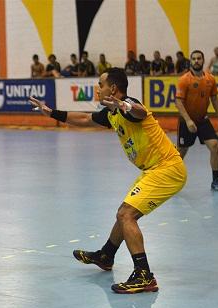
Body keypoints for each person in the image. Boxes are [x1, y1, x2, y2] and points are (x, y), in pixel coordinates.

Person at [30, 67, 187, 294]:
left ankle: (144, 275)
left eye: (101, 84)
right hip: (153, 170)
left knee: (126, 215)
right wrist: (51, 112)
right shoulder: (111, 113)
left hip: (167, 168)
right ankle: (106, 255)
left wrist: (124, 105)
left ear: (113, 88)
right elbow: (84, 119)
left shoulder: (127, 106)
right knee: (122, 215)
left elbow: (140, 112)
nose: (97, 88)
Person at [175, 50, 218, 191]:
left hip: (203, 120)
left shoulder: (210, 79)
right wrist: (188, 120)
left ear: (203, 61)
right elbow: (178, 102)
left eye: (199, 58)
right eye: (194, 59)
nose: (196, 61)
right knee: (181, 152)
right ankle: (171, 179)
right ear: (190, 61)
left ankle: (215, 181)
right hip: (186, 121)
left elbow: (214, 99)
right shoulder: (184, 80)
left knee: (215, 146)